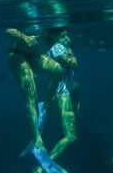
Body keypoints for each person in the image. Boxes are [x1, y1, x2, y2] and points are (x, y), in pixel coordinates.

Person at [6, 27, 67, 173]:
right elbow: (9, 30)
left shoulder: (51, 29)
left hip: (33, 55)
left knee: (58, 70)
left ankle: (47, 101)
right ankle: (36, 136)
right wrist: (24, 37)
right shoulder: (35, 23)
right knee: (31, 94)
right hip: (18, 55)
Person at [34, 28, 79, 173]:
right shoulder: (57, 48)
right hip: (63, 93)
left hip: (64, 92)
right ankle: (43, 167)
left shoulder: (58, 48)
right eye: (64, 35)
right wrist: (71, 49)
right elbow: (73, 63)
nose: (68, 38)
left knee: (70, 135)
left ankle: (44, 165)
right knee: (71, 136)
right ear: (55, 36)